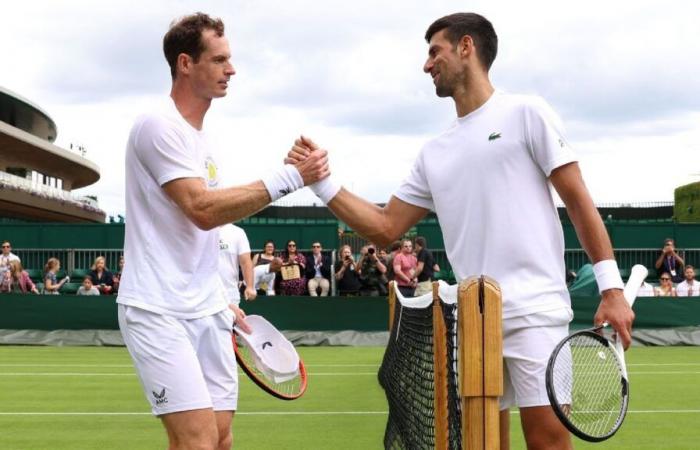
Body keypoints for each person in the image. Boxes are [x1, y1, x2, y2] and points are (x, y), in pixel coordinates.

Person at [287, 12, 633, 449]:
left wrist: (612, 290)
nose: (427, 64)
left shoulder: (526, 112)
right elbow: (384, 228)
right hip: (473, 321)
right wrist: (321, 182)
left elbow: (579, 201)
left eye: (435, 51)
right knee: (484, 443)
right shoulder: (434, 152)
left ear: (466, 47)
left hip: (536, 313)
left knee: (548, 442)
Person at [115, 13, 328, 450]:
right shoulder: (157, 125)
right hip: (159, 311)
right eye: (219, 60)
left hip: (208, 309)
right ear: (185, 63)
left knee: (222, 438)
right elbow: (202, 210)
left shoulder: (203, 139)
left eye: (229, 59)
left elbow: (202, 235)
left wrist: (219, 299)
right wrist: (289, 177)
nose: (231, 69)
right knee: (196, 443)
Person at [218, 224, 256, 306]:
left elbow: (245, 262)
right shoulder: (198, 229)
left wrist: (249, 286)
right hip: (202, 296)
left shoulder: (238, 232)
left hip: (229, 294)